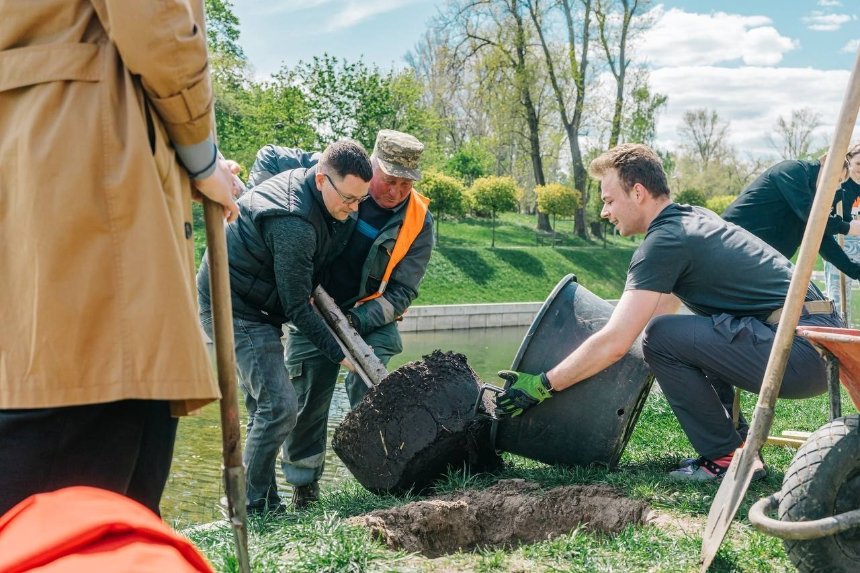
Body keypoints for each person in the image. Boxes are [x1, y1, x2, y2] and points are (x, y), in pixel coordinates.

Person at [0, 1, 239, 516]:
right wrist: (202, 156)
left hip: (28, 166)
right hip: (90, 164)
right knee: (94, 511)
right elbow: (157, 21)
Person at [493, 143, 842, 481]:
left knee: (661, 337)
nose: (604, 212)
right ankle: (737, 448)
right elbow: (647, 319)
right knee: (683, 332)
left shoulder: (666, 241)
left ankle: (725, 456)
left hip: (798, 350)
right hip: (817, 345)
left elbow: (619, 340)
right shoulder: (691, 220)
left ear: (639, 192)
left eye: (609, 200)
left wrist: (543, 384)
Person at [246, 130, 434, 508]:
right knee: (307, 401)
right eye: (388, 180)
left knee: (371, 383)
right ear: (372, 166)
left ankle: (382, 477)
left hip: (370, 315)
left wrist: (353, 320)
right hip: (309, 308)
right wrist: (257, 203)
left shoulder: (419, 221)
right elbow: (268, 155)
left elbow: (403, 292)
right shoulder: (338, 169)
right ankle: (305, 488)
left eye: (404, 184)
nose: (395, 191)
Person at [196, 139, 373, 514]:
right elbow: (297, 304)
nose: (355, 209)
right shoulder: (294, 221)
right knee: (279, 405)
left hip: (260, 303)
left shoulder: (328, 194)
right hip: (233, 305)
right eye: (350, 199)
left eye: (361, 199)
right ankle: (249, 505)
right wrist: (339, 352)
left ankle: (264, 501)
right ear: (322, 180)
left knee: (266, 406)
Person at [823, 143, 860, 324]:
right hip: (841, 248)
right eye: (859, 163)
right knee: (838, 303)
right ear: (849, 161)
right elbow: (828, 223)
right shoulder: (839, 186)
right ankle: (839, 337)